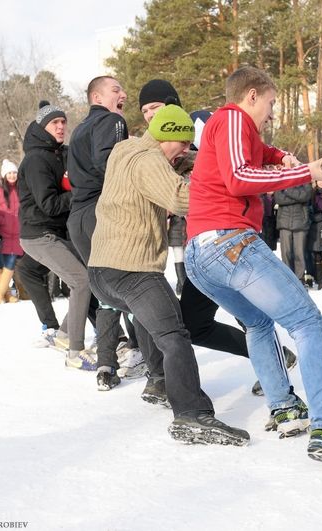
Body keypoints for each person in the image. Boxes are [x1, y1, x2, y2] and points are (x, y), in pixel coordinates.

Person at [185, 65, 322, 468]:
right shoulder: (233, 119)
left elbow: (257, 156)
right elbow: (241, 176)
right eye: (271, 103)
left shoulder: (230, 129)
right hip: (230, 243)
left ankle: (284, 406)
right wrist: (305, 171)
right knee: (307, 323)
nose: (272, 112)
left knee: (259, 323)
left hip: (201, 256)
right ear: (252, 96)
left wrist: (282, 157)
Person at [88, 103, 248, 444]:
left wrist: (194, 159)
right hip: (133, 269)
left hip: (101, 271)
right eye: (184, 144)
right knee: (175, 335)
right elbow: (179, 198)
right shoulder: (149, 162)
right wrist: (223, 184)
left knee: (150, 321)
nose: (186, 152)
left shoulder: (125, 149)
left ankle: (160, 381)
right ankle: (191, 413)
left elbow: (170, 160)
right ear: (167, 137)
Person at [134, 79, 294, 404]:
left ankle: (275, 368)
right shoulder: (158, 149)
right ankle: (274, 358)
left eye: (156, 108)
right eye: (146, 111)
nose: (151, 115)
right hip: (201, 244)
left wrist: (279, 157)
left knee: (251, 314)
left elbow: (243, 159)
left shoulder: (203, 122)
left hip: (230, 237)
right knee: (194, 322)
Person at [18, 102, 97, 370]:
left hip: (57, 232)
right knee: (81, 281)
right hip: (38, 235)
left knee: (89, 274)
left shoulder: (59, 153)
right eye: (55, 123)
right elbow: (49, 204)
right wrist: (81, 191)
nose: (61, 126)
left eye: (63, 121)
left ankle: (64, 335)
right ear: (43, 127)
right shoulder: (36, 159)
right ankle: (75, 351)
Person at [66, 78, 133, 385]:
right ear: (97, 96)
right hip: (100, 213)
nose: (124, 95)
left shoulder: (79, 129)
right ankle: (145, 354)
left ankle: (106, 364)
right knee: (132, 283)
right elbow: (110, 162)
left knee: (105, 289)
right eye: (116, 90)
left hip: (78, 218)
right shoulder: (111, 120)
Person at [0, 160, 23, 303]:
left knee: (10, 264)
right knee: (0, 265)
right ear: (4, 175)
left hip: (17, 232)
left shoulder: (22, 188)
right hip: (0, 233)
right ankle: (6, 294)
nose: (12, 175)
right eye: (9, 173)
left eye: (14, 172)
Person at [274, 183, 312, 283]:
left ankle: (299, 278)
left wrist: (286, 191)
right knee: (285, 253)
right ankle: (287, 277)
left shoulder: (305, 182)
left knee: (299, 253)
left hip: (300, 222)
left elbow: (305, 197)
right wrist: (297, 197)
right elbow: (278, 199)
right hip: (284, 221)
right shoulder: (282, 181)